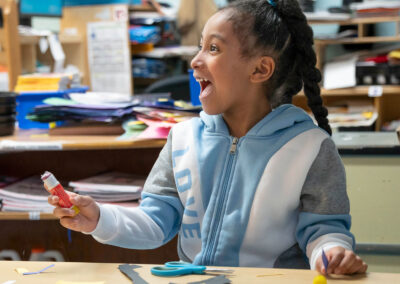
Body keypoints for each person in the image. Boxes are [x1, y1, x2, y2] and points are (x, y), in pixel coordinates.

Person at [48, 0, 368, 275]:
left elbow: (324, 231)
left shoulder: (310, 148)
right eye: (200, 45)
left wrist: (332, 253)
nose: (195, 60)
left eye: (213, 48)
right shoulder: (183, 137)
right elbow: (155, 222)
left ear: (260, 70)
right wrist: (99, 218)